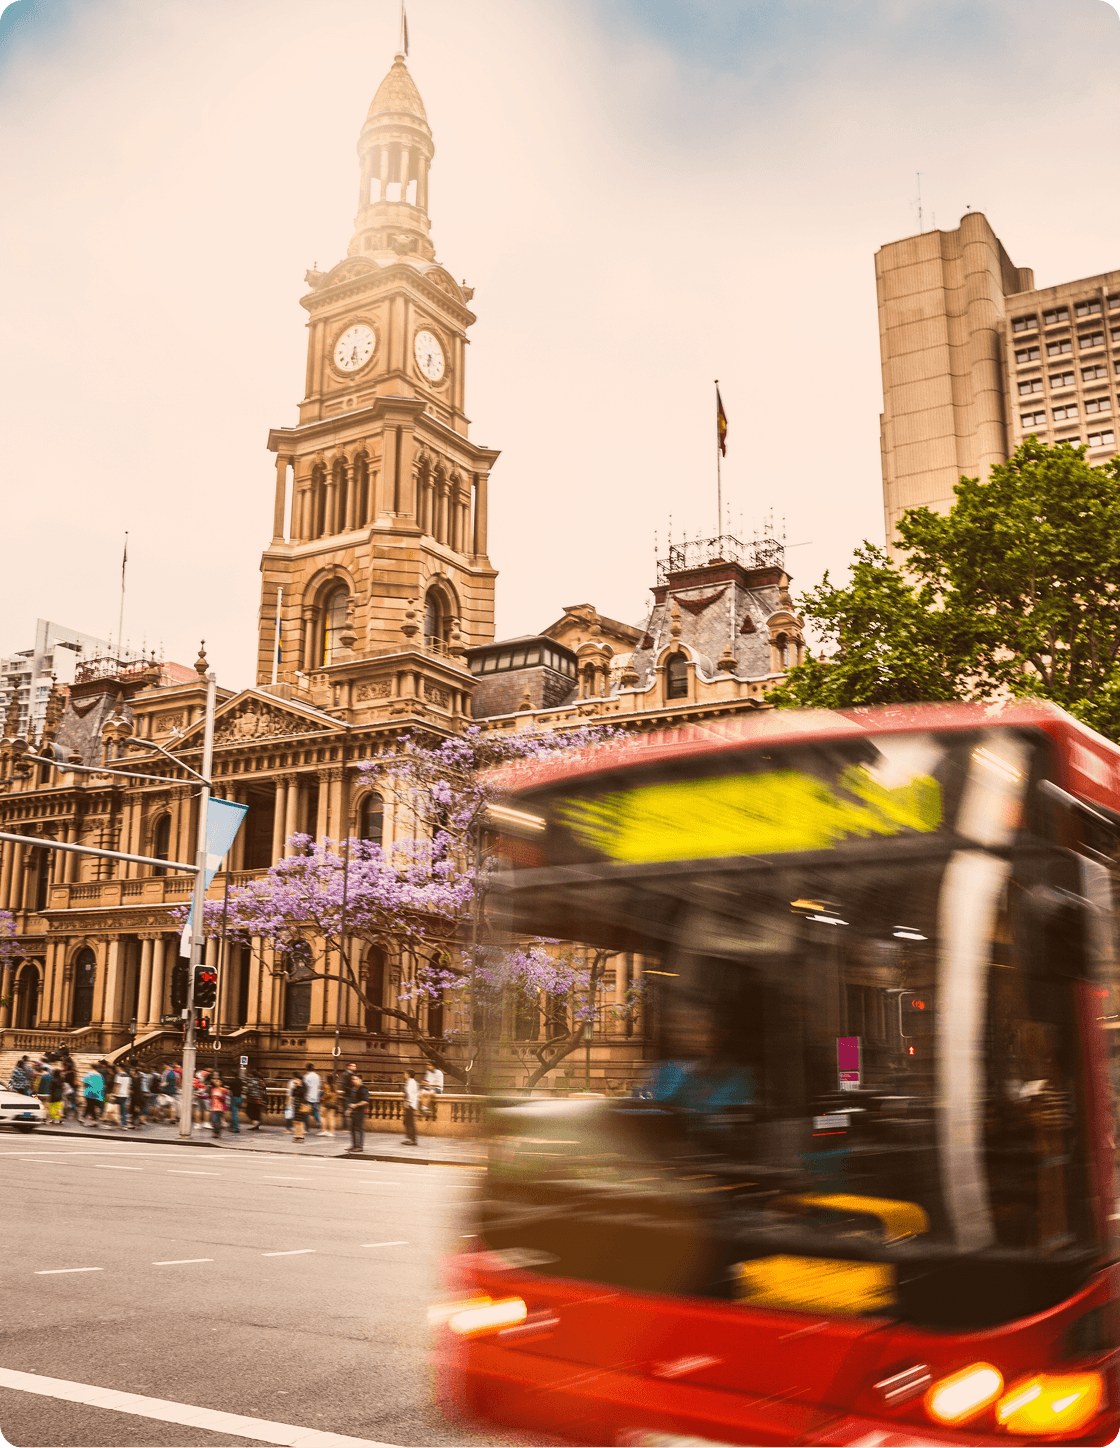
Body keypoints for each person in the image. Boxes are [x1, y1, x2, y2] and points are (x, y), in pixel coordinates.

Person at [346, 1072, 370, 1153]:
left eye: (355, 1079)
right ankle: (354, 1145)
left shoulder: (363, 1088)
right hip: (354, 1112)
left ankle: (359, 1146)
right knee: (352, 1129)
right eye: (352, 1079)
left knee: (359, 1129)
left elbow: (366, 1101)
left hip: (360, 1112)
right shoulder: (354, 1088)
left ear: (360, 1080)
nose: (353, 1080)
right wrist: (349, 1109)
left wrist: (356, 1105)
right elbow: (352, 1100)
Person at [401, 1070, 419, 1146]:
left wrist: (408, 1103)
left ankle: (412, 1139)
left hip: (410, 1105)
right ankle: (410, 1138)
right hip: (410, 1104)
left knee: (409, 1122)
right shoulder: (410, 1082)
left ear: (408, 1074)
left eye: (405, 1073)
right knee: (407, 1121)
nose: (404, 1074)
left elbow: (411, 1094)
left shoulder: (411, 1083)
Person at [290, 1072, 309, 1142]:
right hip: (296, 1105)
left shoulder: (304, 1085)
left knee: (300, 1121)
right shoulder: (296, 1085)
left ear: (299, 1079)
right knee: (295, 1121)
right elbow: (293, 1094)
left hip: (301, 1105)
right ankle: (296, 1135)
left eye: (296, 1079)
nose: (295, 1080)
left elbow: (303, 1094)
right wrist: (295, 1087)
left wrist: (299, 1086)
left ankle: (301, 1136)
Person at [302, 1063, 322, 1131]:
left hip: (308, 1097)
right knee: (315, 1111)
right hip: (316, 1097)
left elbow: (305, 1087)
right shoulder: (317, 1076)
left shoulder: (306, 1076)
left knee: (306, 1112)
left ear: (307, 1068)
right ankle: (319, 1122)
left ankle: (306, 1128)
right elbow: (319, 1086)